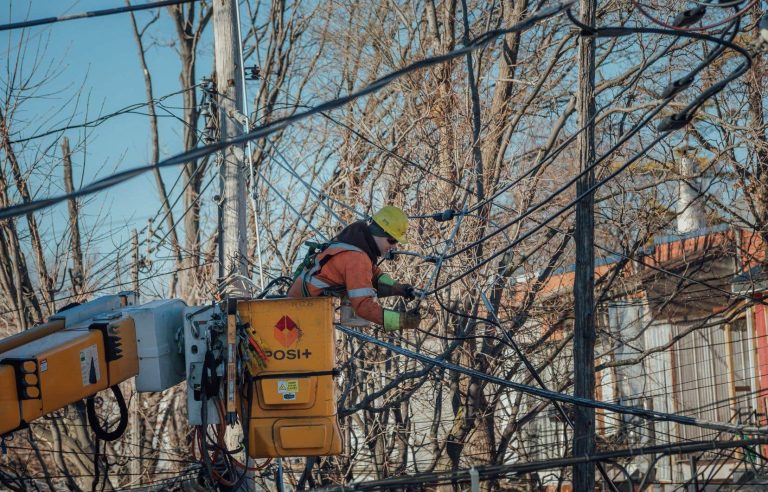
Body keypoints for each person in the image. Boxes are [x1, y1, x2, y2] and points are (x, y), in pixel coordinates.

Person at [287, 206, 421, 331]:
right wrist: (402, 321)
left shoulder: (354, 244)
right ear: (379, 233)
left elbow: (373, 274)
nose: (394, 247)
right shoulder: (357, 258)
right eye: (392, 241)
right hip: (301, 313)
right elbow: (363, 306)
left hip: (302, 306)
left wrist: (399, 288)